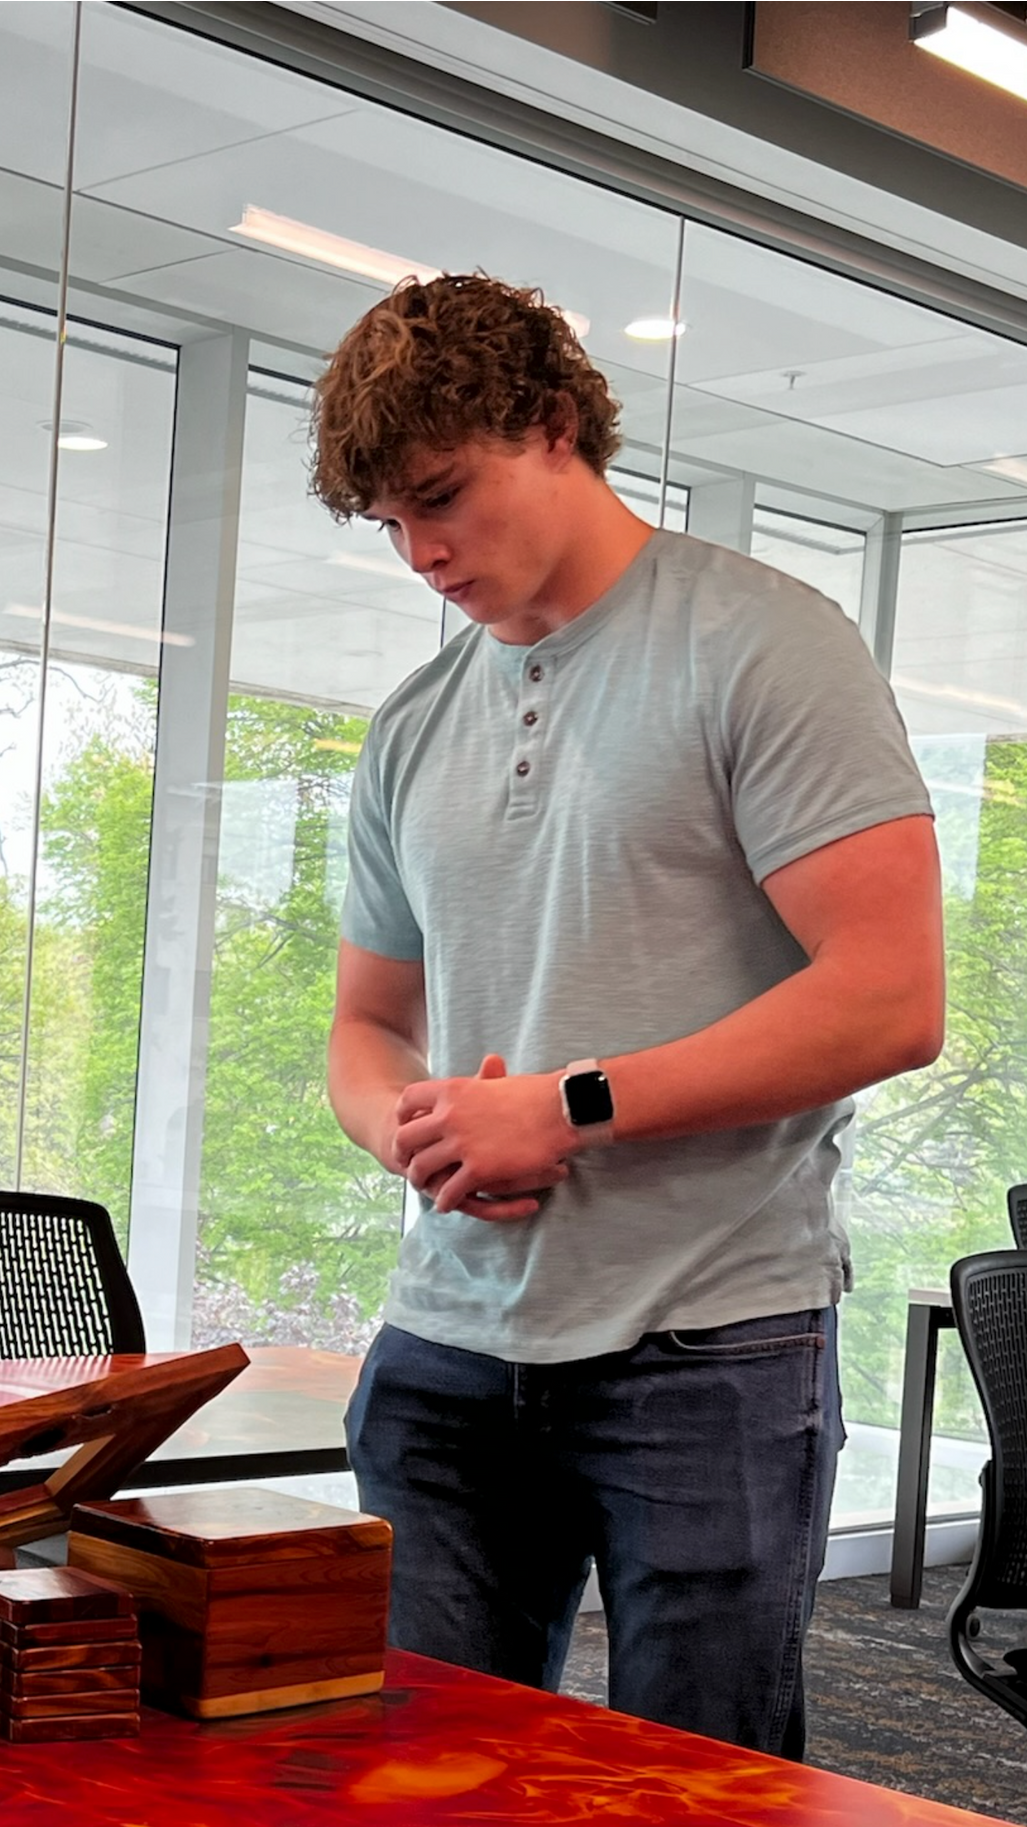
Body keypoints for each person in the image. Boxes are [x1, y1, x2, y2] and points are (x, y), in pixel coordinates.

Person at [311, 272, 944, 1758]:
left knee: (698, 1786)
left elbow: (889, 996)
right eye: (389, 523)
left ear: (550, 425)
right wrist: (415, 1134)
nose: (420, 551)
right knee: (428, 1783)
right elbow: (362, 1027)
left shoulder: (762, 644)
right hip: (445, 1347)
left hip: (705, 1342)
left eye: (441, 497)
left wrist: (565, 1104)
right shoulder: (412, 723)